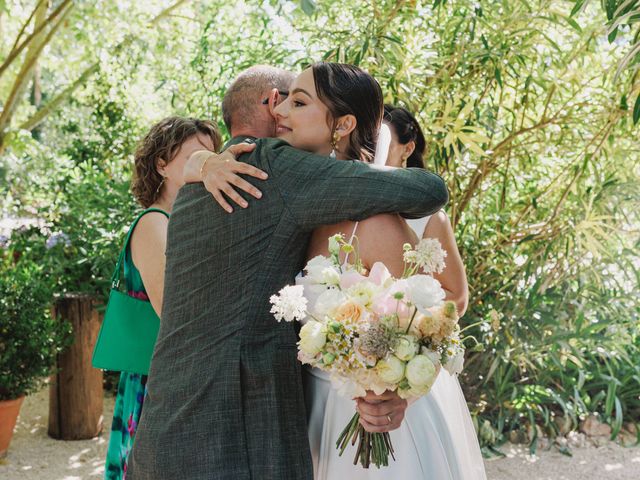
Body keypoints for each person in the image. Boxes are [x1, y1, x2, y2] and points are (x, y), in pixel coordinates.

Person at [126, 65, 449, 480]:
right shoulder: (276, 168)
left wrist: (203, 162)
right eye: (287, 100)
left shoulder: (193, 190)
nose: (286, 112)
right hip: (239, 437)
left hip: (166, 428)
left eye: (300, 102)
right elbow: (429, 190)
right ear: (270, 102)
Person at [269, 67, 486, 479]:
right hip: (307, 411)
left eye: (297, 102)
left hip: (371, 419)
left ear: (343, 125)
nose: (279, 110)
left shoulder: (377, 222)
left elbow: (425, 327)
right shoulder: (293, 207)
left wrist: (397, 393)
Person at [103, 116, 223, 480]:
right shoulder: (155, 222)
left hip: (172, 373)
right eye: (197, 156)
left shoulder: (181, 221)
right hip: (157, 379)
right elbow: (173, 310)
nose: (209, 165)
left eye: (213, 156)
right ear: (161, 164)